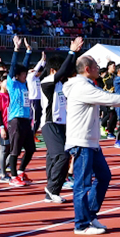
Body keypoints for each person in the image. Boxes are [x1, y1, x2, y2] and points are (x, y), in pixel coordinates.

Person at [63, 55, 120, 235]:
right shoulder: (82, 87)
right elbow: (109, 98)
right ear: (87, 69)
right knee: (82, 184)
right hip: (81, 142)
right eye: (95, 65)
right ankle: (81, 224)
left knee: (104, 176)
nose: (98, 69)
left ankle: (90, 215)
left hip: (91, 141)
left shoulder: (86, 85)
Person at [40, 37, 83, 204]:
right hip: (50, 124)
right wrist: (71, 51)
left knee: (53, 157)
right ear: (53, 71)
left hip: (62, 125)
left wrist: (75, 54)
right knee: (62, 155)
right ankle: (52, 189)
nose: (64, 75)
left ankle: (50, 191)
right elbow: (63, 70)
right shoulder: (46, 83)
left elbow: (68, 69)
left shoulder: (62, 86)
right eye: (60, 73)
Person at [5, 37, 35, 187]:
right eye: (23, 74)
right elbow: (13, 68)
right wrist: (17, 49)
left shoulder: (24, 85)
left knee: (31, 148)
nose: (25, 76)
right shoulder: (13, 84)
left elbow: (24, 66)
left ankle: (21, 171)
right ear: (18, 75)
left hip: (25, 119)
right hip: (15, 119)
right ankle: (13, 176)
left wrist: (29, 51)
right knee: (15, 149)